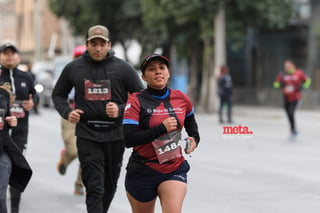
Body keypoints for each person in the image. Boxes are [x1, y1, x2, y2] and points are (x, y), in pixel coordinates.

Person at [51, 25, 144, 213]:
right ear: (87, 44)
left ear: (109, 44)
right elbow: (58, 94)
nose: (98, 48)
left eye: (102, 44)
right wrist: (67, 112)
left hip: (115, 135)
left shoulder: (123, 68)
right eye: (94, 44)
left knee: (109, 186)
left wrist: (120, 110)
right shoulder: (74, 68)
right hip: (87, 134)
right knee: (94, 187)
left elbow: (142, 98)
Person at [122, 54, 200, 213]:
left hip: (173, 168)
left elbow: (192, 125)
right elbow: (128, 139)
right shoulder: (136, 100)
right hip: (142, 171)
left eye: (161, 68)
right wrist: (161, 129)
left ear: (168, 72)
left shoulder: (181, 98)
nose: (158, 72)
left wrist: (194, 139)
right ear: (143, 76)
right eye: (151, 69)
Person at [0, 43, 35, 213]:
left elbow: (33, 95)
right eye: (5, 53)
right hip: (2, 132)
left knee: (16, 167)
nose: (9, 56)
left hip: (20, 131)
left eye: (12, 54)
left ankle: (15, 208)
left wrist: (32, 103)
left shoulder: (26, 77)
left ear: (18, 57)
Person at [56, 45, 86, 195]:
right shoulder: (68, 72)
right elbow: (58, 94)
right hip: (69, 115)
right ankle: (66, 157)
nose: (81, 59)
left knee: (87, 153)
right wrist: (67, 111)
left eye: (83, 55)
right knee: (74, 150)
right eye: (78, 56)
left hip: (86, 117)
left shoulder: (93, 73)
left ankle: (79, 184)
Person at [273, 59, 311, 139]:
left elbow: (308, 81)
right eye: (285, 66)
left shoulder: (299, 73)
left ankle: (293, 130)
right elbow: (275, 83)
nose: (286, 67)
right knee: (288, 114)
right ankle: (293, 129)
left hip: (296, 97)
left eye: (288, 66)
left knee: (291, 112)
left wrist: (302, 87)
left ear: (293, 65)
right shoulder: (282, 74)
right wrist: (280, 85)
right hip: (286, 97)